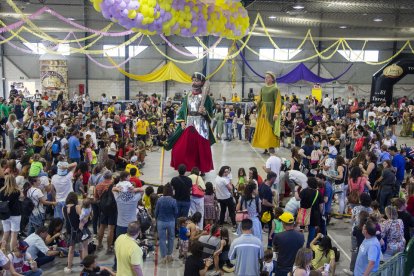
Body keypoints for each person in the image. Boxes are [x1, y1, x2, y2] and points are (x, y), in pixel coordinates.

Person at [165, 72, 215, 173]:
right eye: (193, 80)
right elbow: (183, 109)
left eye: (196, 80)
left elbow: (210, 114)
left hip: (201, 125)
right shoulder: (188, 96)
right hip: (189, 123)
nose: (194, 82)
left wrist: (205, 112)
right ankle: (186, 167)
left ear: (202, 82)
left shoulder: (207, 98)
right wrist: (182, 121)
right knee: (180, 148)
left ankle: (202, 169)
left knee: (200, 148)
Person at [252, 71, 282, 150]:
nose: (266, 79)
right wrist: (256, 104)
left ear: (272, 79)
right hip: (262, 110)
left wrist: (276, 113)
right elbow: (259, 99)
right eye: (265, 77)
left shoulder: (275, 89)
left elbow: (278, 102)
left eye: (268, 77)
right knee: (262, 128)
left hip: (271, 111)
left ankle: (270, 146)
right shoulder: (263, 88)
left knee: (269, 129)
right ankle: (264, 146)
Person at [63, 192, 89, 273]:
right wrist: (87, 217)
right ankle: (86, 267)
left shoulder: (63, 208)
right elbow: (83, 219)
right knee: (85, 248)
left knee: (71, 249)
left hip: (70, 231)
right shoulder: (77, 207)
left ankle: (69, 267)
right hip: (80, 230)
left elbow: (66, 219)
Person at [273, 212, 305, 276]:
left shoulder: (278, 236)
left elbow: (275, 250)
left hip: (282, 267)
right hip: (295, 268)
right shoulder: (301, 236)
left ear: (283, 223)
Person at [154, 183, 178, 264]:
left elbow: (156, 211)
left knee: (162, 239)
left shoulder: (159, 200)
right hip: (171, 221)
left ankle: (163, 256)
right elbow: (176, 212)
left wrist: (156, 218)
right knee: (171, 238)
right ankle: (169, 255)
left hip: (161, 221)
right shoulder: (173, 200)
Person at [0, 175, 21, 252]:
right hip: (15, 214)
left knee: (5, 233)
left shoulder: (1, 191)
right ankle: (12, 252)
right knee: (14, 234)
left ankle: (2, 251)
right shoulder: (17, 191)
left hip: (5, 214)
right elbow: (21, 197)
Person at [215, 166, 237, 231]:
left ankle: (221, 224)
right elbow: (230, 188)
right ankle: (234, 225)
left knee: (223, 211)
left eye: (227, 172)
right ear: (222, 172)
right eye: (225, 172)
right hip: (227, 197)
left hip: (220, 198)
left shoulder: (217, 178)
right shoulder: (224, 180)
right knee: (232, 211)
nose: (227, 173)